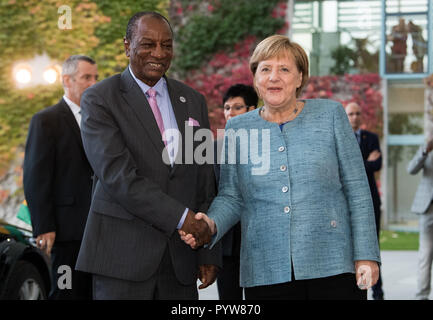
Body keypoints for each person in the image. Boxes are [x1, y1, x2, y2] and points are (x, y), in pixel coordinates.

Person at [180, 35, 381, 300]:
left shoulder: (331, 115)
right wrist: (210, 222)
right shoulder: (237, 128)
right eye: (265, 69)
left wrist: (366, 255)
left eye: (284, 69)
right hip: (265, 270)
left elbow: (357, 189)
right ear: (256, 78)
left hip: (332, 265)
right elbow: (231, 196)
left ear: (300, 78)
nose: (274, 77)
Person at [75, 11, 221, 300]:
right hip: (122, 259)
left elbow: (203, 178)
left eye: (166, 45)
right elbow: (119, 177)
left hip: (179, 260)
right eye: (147, 44)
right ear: (127, 46)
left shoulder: (193, 101)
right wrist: (183, 219)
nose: (159, 53)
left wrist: (206, 249)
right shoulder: (99, 99)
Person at [23, 55, 98, 300]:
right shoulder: (45, 121)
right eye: (87, 77)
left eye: (95, 77)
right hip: (65, 233)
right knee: (66, 293)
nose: (93, 83)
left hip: (99, 229)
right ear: (67, 80)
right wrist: (44, 227)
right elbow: (36, 178)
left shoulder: (100, 120)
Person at [215, 84, 258, 300]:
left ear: (252, 110)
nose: (230, 113)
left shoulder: (268, 146)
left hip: (260, 243)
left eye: (237, 107)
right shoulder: (212, 149)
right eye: (226, 107)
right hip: (228, 245)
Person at [345, 102, 384, 300]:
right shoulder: (341, 140)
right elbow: (344, 170)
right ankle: (355, 289)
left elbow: (378, 164)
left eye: (358, 113)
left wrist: (359, 165)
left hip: (371, 202)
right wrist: (366, 162)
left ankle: (377, 290)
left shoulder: (372, 138)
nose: (354, 117)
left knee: (372, 248)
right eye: (351, 114)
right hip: (346, 204)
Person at [407, 137, 433, 300]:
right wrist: (425, 151)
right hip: (428, 209)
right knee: (426, 254)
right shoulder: (426, 147)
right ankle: (421, 296)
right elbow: (411, 169)